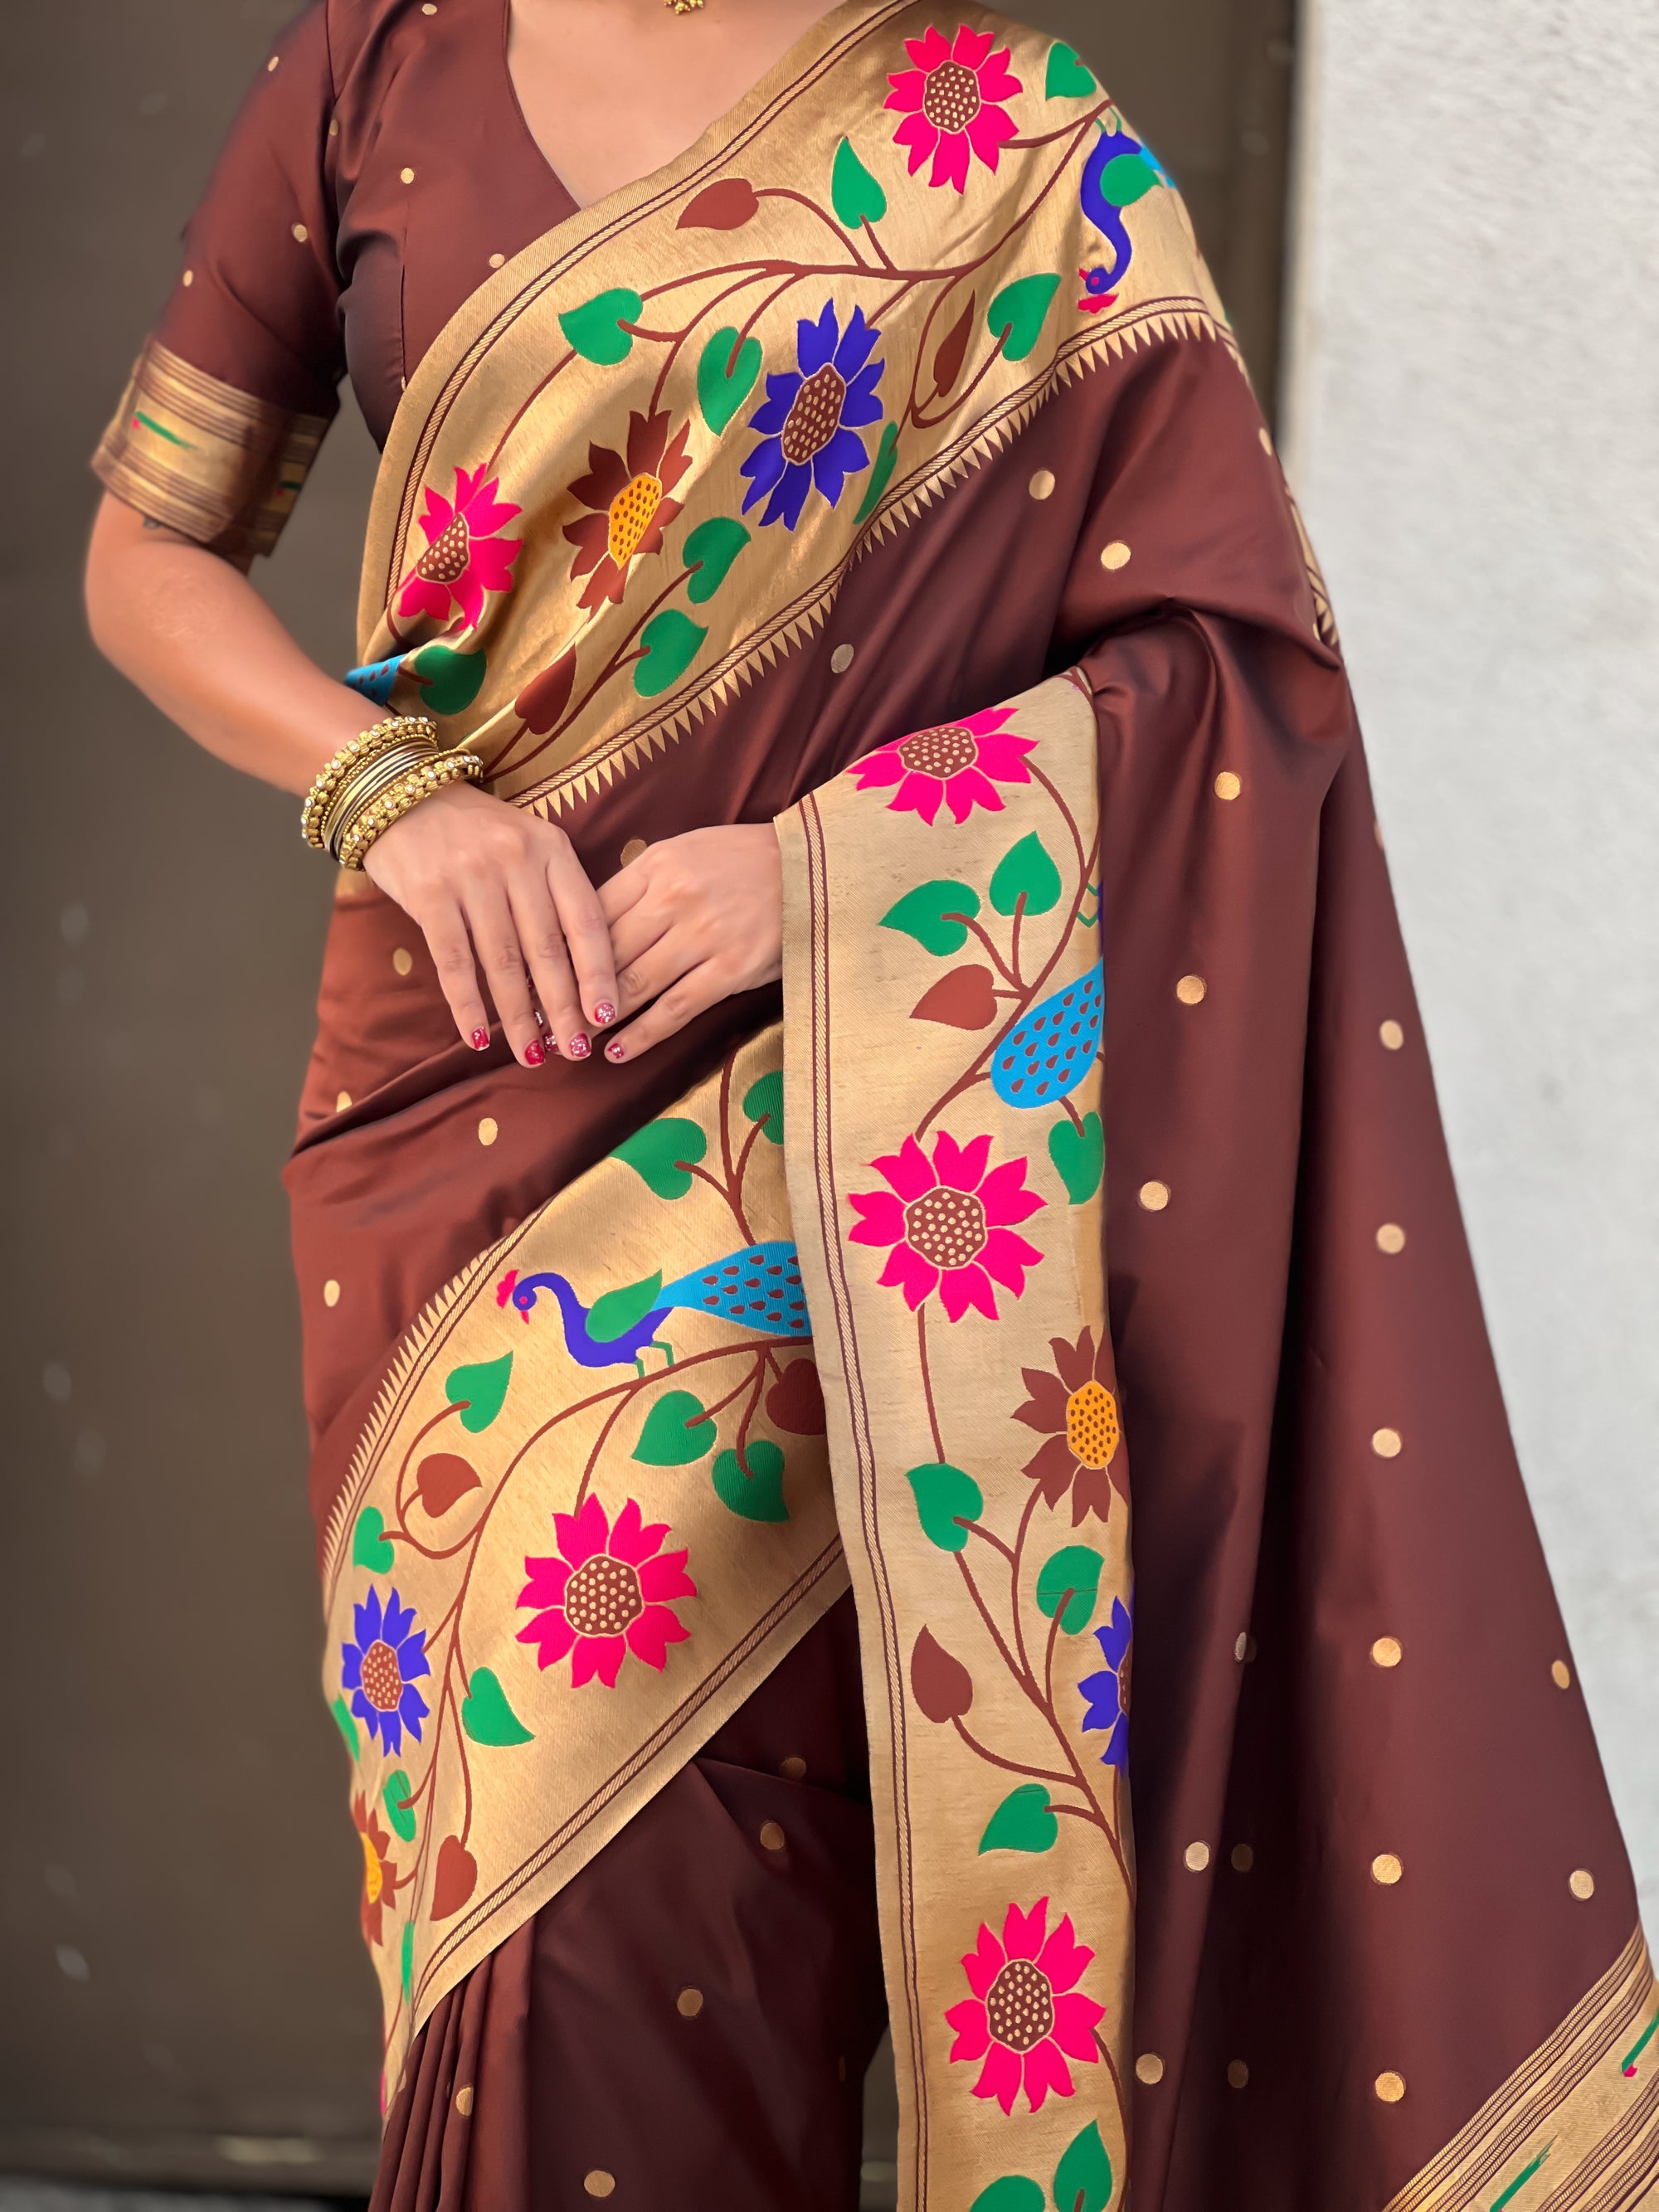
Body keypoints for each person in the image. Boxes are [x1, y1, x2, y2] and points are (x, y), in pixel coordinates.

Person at [85, 2, 1659, 2207]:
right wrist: (393, 796)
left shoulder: (1010, 139)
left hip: (851, 1111)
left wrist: (827, 874)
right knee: (486, 1880)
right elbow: (146, 552)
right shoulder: (379, 63)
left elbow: (1234, 683)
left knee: (681, 1870)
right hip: (451, 1086)